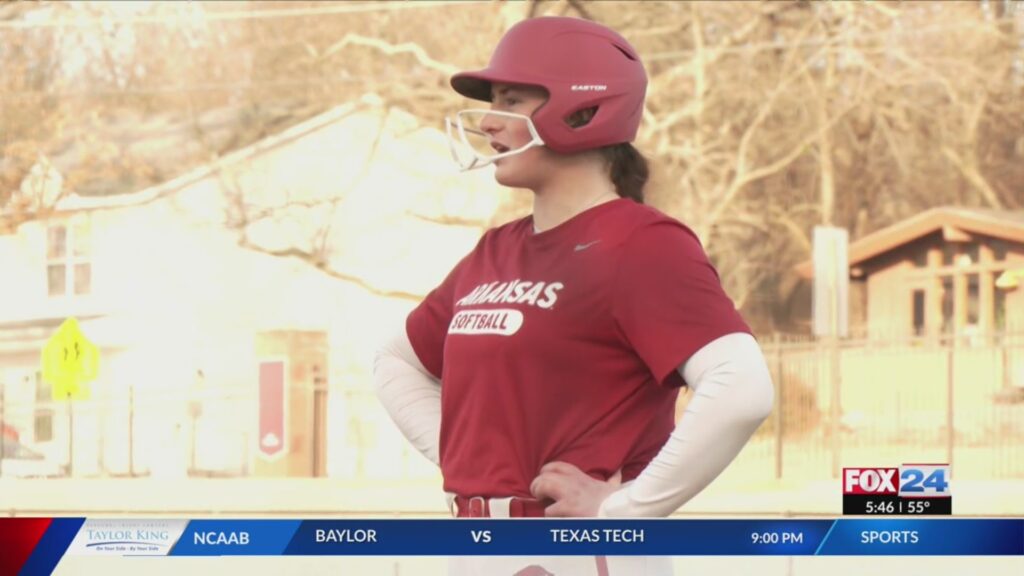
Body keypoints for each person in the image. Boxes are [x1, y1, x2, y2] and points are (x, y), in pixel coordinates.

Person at [374, 16, 774, 575]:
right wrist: (477, 471)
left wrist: (629, 510)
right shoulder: (496, 250)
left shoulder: (638, 243)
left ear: (584, 110)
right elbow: (395, 362)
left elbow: (743, 388)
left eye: (511, 100)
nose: (489, 122)